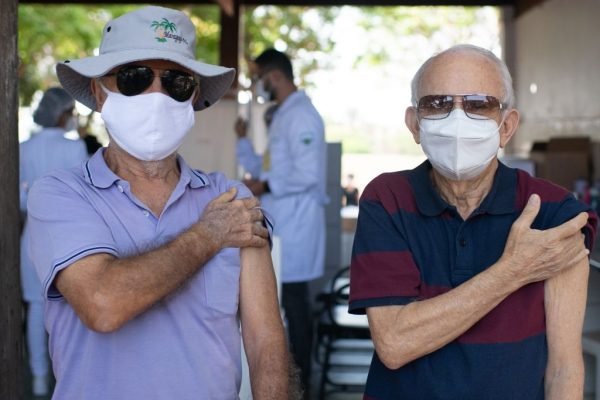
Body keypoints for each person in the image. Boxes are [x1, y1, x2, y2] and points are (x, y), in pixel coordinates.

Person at [25, 6, 289, 399]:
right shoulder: (61, 194)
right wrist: (208, 235)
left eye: (176, 82)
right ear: (100, 91)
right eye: (135, 78)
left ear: (194, 96)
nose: (157, 95)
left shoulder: (232, 199)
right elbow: (103, 304)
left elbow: (265, 341)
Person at [348, 44, 597, 400]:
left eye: (479, 104)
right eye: (438, 104)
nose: (457, 120)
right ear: (414, 125)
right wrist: (512, 271)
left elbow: (564, 368)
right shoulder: (388, 199)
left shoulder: (555, 212)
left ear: (507, 126)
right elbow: (394, 343)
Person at [235, 48, 327, 397]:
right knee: (285, 305)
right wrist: (243, 140)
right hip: (284, 221)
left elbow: (306, 174)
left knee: (296, 307)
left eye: (259, 78)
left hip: (298, 223)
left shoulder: (302, 116)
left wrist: (265, 185)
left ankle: (304, 386)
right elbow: (266, 169)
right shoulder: (284, 115)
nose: (257, 85)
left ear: (274, 77)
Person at [19, 87, 88, 396]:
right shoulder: (74, 150)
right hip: (68, 239)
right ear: (62, 115)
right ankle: (67, 377)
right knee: (70, 308)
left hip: (31, 237)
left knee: (36, 307)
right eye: (71, 113)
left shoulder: (23, 148)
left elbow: (19, 200)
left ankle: (36, 377)